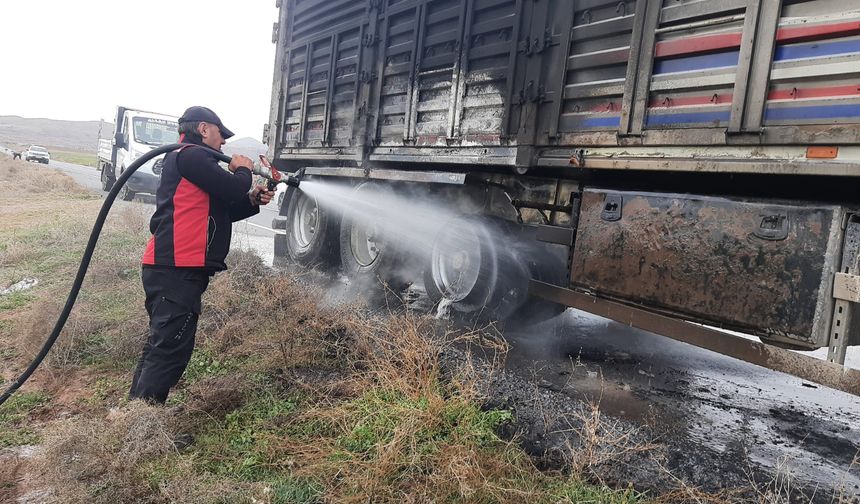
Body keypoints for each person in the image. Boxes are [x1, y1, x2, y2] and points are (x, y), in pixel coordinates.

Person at [129, 106, 274, 404]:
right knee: (171, 348)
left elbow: (222, 209)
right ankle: (143, 420)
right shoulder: (190, 155)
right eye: (221, 135)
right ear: (205, 129)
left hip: (174, 268)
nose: (223, 143)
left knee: (163, 343)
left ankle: (136, 411)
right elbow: (232, 187)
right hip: (175, 268)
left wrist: (252, 199)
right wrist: (243, 169)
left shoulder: (193, 161)